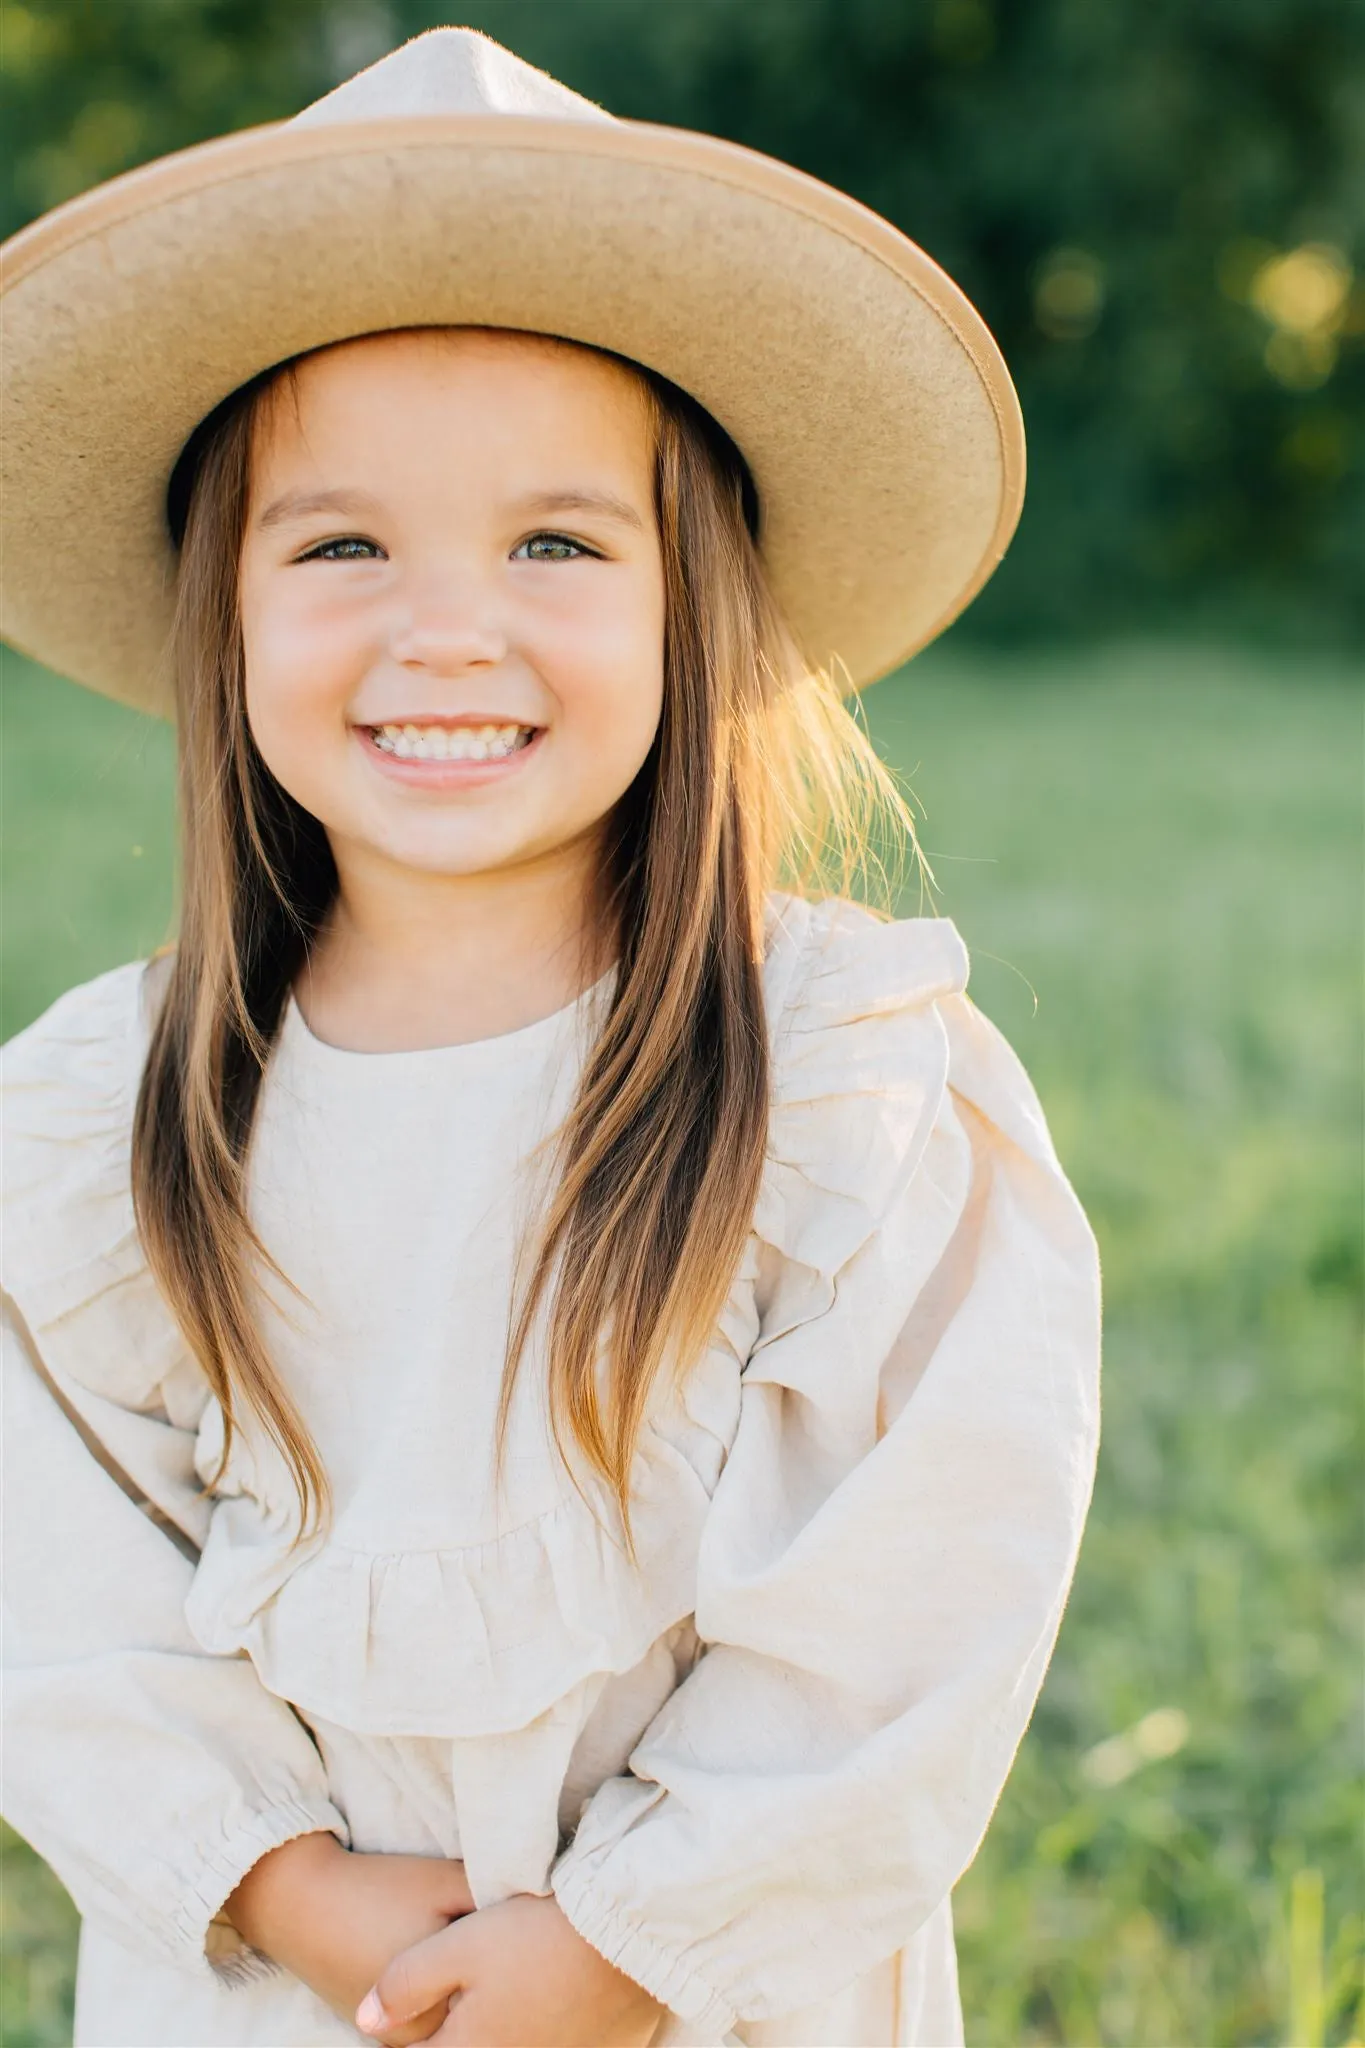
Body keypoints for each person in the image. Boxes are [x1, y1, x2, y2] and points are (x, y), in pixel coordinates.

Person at [0, 28, 1102, 2048]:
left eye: (554, 543)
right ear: (217, 610)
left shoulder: (840, 1084)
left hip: (717, 1997)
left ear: (697, 607)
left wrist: (632, 1940)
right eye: (338, 543)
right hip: (286, 1999)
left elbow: (929, 1580)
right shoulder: (100, 1122)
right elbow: (43, 1596)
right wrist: (286, 1887)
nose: (444, 627)